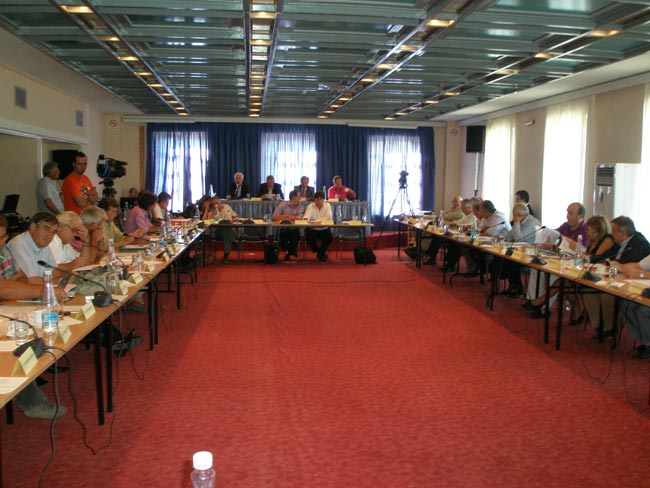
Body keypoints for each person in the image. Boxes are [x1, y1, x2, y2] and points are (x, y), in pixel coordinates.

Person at [0, 215, 68, 419]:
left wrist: (12, 287)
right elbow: (4, 287)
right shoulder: (16, 245)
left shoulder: (3, 251)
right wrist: (38, 290)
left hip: (7, 306)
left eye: (3, 237)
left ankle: (28, 388)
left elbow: (21, 278)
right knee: (15, 343)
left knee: (24, 333)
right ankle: (32, 403)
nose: (2, 242)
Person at [499, 203, 542, 297]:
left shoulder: (532, 223)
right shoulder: (521, 221)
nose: (513, 217)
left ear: (519, 215)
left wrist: (517, 223)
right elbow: (509, 235)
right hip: (521, 251)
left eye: (514, 214)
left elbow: (519, 238)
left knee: (511, 260)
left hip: (532, 254)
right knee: (503, 257)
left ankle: (517, 287)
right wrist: (498, 237)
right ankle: (513, 285)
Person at [8, 212, 60, 281]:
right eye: (46, 229)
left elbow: (53, 272)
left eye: (53, 232)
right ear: (33, 227)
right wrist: (55, 281)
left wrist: (64, 278)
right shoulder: (18, 245)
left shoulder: (45, 246)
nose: (50, 236)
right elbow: (27, 280)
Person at [203, 197, 238, 264]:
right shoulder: (212, 212)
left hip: (228, 230)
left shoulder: (226, 206)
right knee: (224, 223)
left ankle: (226, 256)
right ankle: (233, 241)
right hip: (218, 231)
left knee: (226, 228)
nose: (215, 205)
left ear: (220, 202)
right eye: (213, 204)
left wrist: (232, 221)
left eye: (216, 203)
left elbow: (234, 216)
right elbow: (204, 221)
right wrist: (211, 211)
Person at [272, 190, 304, 261]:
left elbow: (299, 218)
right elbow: (274, 217)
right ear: (294, 197)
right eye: (299, 196)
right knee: (282, 237)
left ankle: (288, 252)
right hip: (283, 229)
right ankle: (289, 252)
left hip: (294, 229)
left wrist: (287, 217)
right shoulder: (283, 204)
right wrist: (286, 216)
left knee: (294, 236)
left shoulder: (300, 206)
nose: (300, 198)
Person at [303, 191, 333, 262]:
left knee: (329, 238)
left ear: (323, 199)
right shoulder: (310, 206)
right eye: (317, 199)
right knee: (309, 238)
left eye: (321, 199)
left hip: (324, 228)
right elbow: (306, 217)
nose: (319, 201)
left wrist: (315, 221)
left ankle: (320, 253)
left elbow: (328, 217)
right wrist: (317, 221)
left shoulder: (327, 206)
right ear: (314, 199)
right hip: (312, 229)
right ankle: (319, 252)